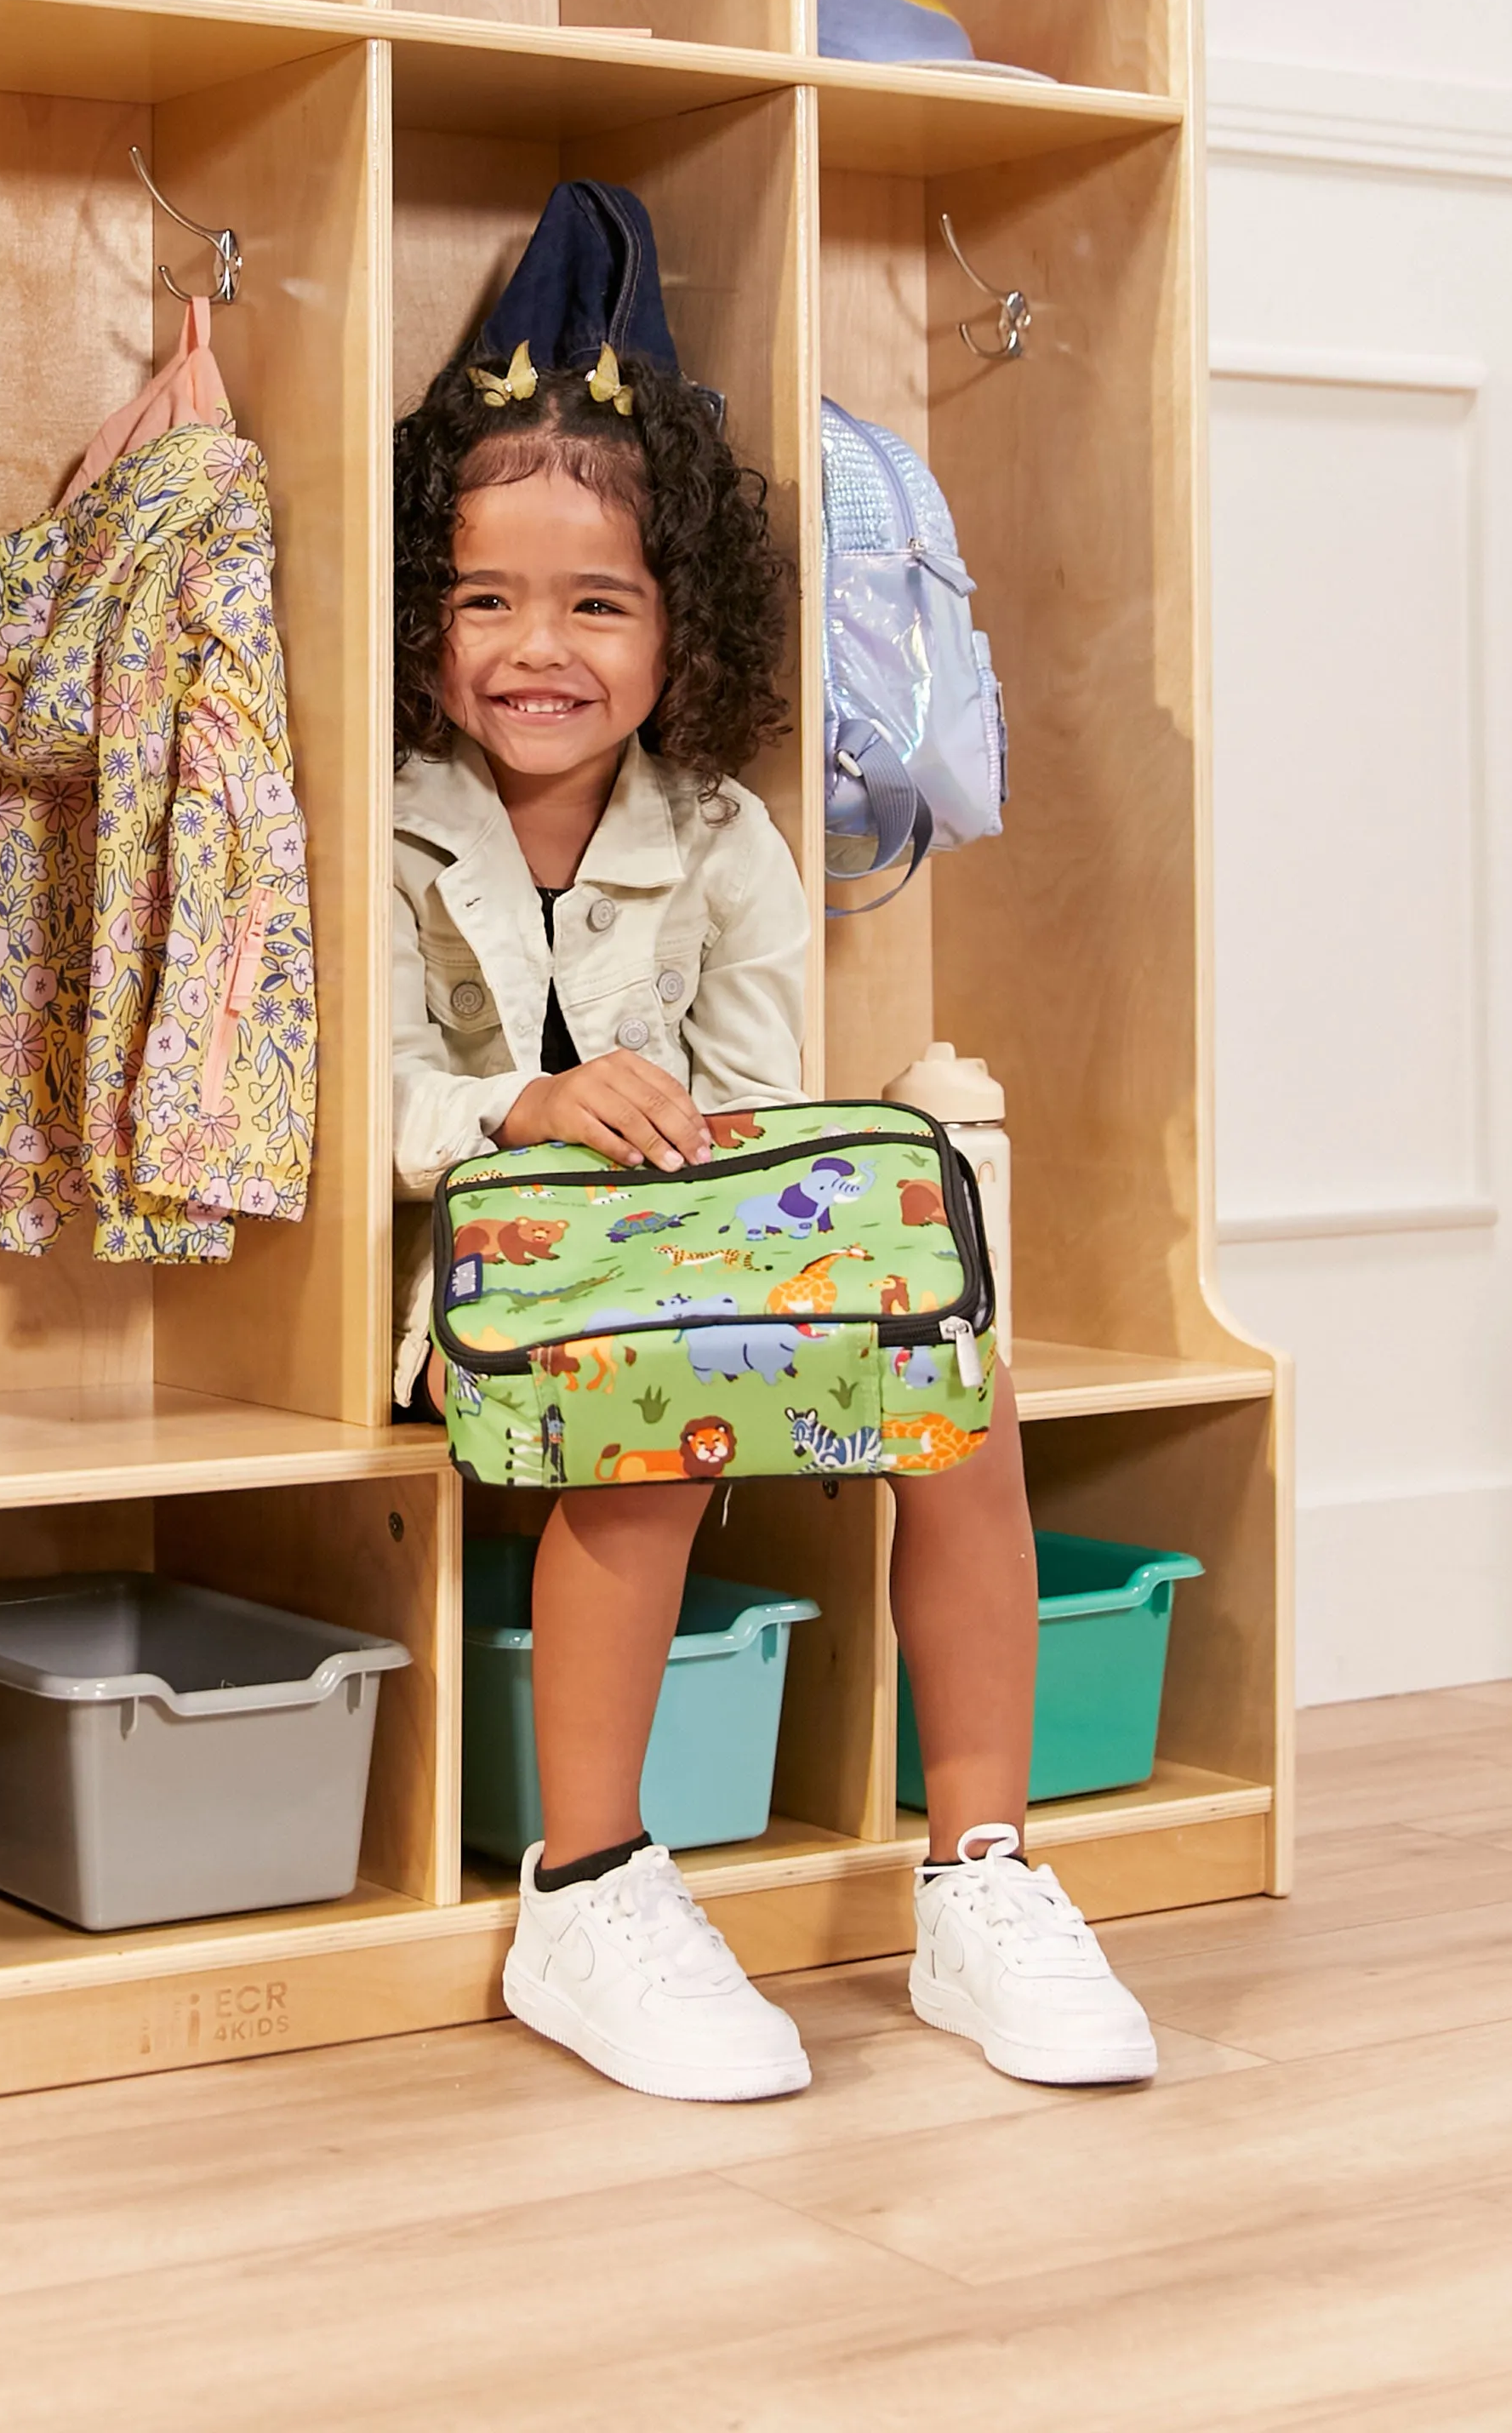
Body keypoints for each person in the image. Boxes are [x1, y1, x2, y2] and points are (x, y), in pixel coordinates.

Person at [391, 340, 1158, 2100]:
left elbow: (757, 1102)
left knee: (960, 1386)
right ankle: (581, 1886)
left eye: (595, 602)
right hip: (478, 1285)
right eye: (486, 598)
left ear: (676, 630)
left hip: (692, 1249)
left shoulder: (721, 831)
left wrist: (727, 1191)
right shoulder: (389, 823)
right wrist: (520, 1105)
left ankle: (979, 1871)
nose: (538, 648)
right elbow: (336, 1097)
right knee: (646, 1419)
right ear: (423, 621)